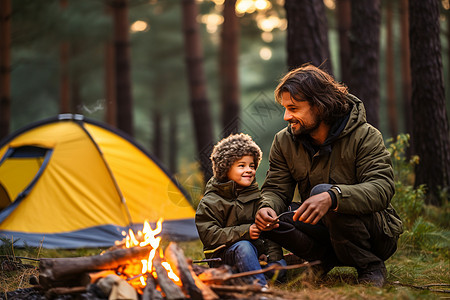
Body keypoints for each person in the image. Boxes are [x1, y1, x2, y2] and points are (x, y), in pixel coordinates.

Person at [255, 64, 403, 287]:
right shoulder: (283, 141)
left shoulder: (365, 136)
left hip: (375, 235)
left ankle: (370, 266)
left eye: (293, 108)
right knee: (279, 217)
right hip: (324, 230)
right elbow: (276, 189)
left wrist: (335, 197)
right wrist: (266, 207)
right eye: (285, 108)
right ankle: (321, 260)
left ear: (320, 106)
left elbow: (382, 188)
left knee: (324, 193)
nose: (286, 116)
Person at [195, 133, 286, 287]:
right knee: (244, 246)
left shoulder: (255, 197)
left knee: (280, 269)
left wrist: (271, 257)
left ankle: (252, 271)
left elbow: (267, 232)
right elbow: (210, 235)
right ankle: (259, 288)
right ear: (225, 168)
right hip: (222, 257)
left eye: (252, 165)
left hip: (254, 255)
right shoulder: (211, 201)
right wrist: (245, 231)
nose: (249, 170)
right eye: (242, 165)